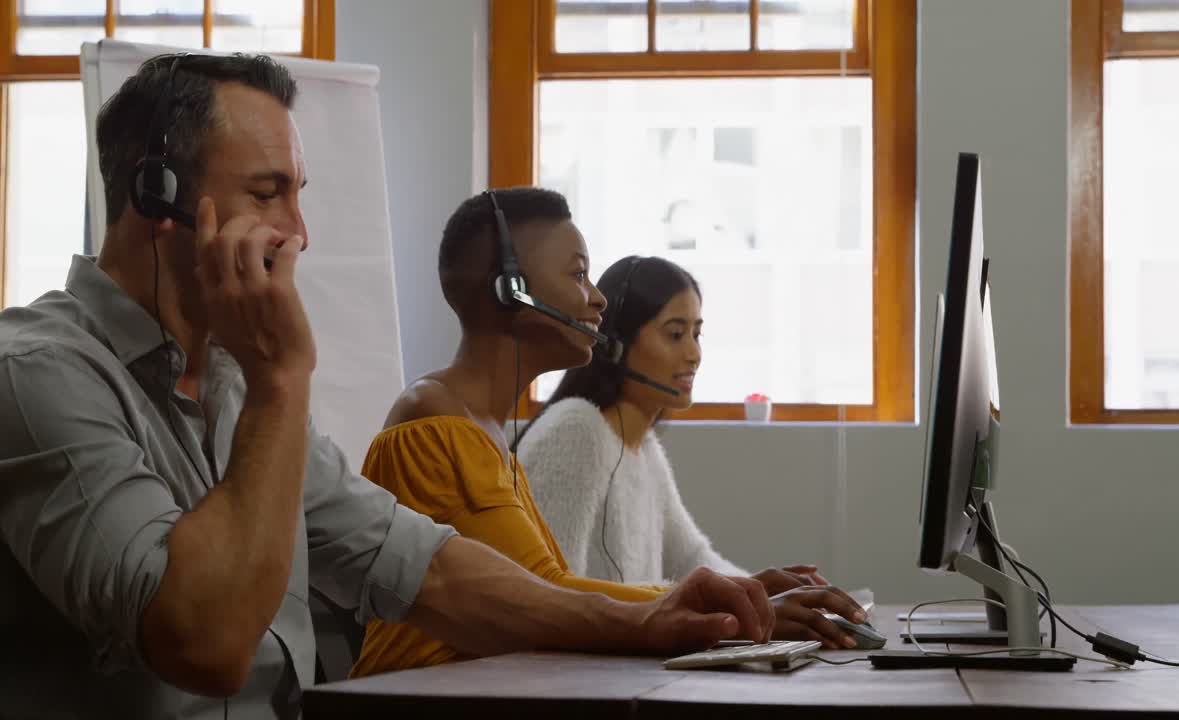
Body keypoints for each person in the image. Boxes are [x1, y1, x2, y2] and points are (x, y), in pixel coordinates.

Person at [0, 54, 772, 720]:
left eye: (298, 194)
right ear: (156, 197)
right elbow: (208, 645)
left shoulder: (235, 384)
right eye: (267, 194)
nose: (300, 233)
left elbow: (430, 569)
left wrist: (646, 621)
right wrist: (280, 382)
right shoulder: (39, 374)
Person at [350, 191, 866, 678]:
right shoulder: (433, 419)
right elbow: (544, 596)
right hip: (420, 705)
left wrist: (739, 594)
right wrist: (721, 604)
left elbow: (548, 594)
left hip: (479, 695)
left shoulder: (483, 432)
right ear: (510, 288)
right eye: (578, 275)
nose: (597, 300)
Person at [516, 255, 871, 649]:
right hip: (579, 676)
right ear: (614, 343)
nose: (694, 354)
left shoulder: (643, 449)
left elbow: (694, 561)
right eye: (675, 334)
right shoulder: (574, 431)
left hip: (621, 668)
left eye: (696, 334)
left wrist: (768, 596)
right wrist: (743, 609)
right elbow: (553, 598)